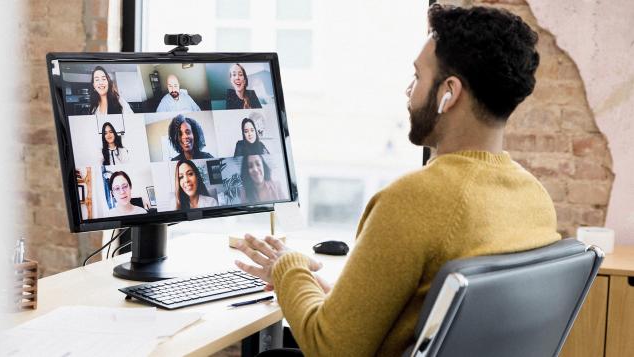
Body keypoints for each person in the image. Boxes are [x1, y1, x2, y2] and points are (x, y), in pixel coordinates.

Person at [232, 4, 561, 356]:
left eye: (418, 77)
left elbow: (329, 348)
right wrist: (326, 294)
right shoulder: (534, 199)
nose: (409, 91)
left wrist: (287, 266)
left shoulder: (413, 199)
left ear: (448, 93)